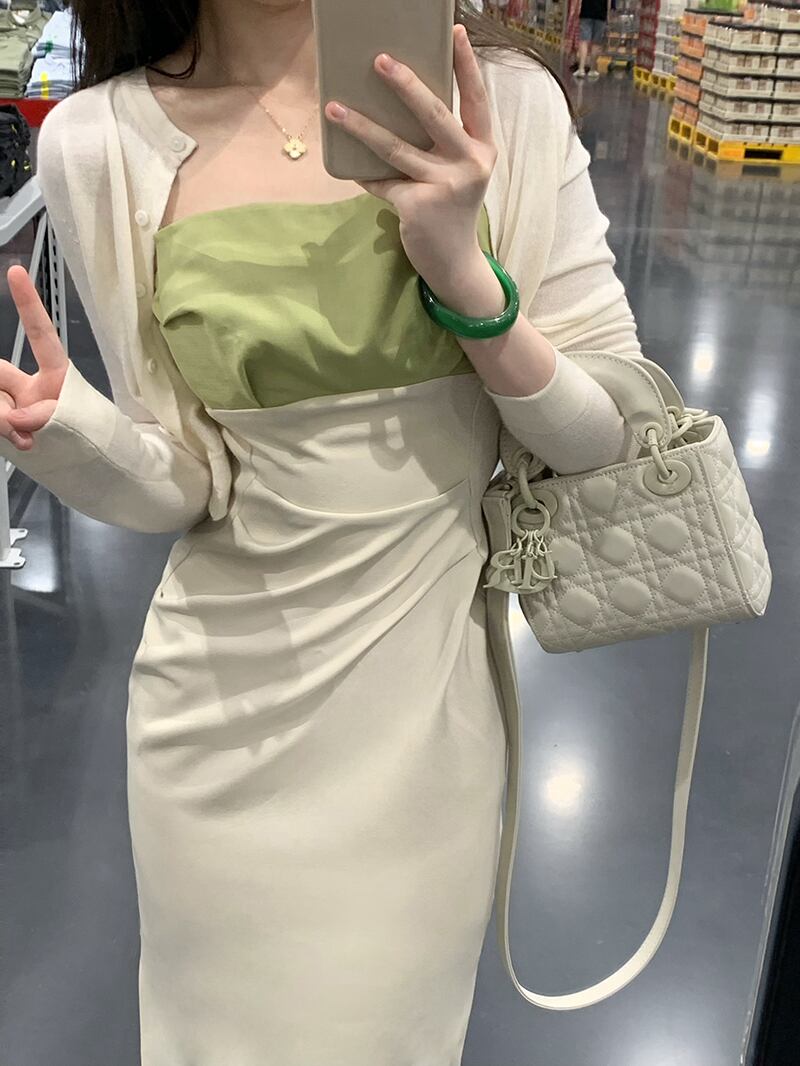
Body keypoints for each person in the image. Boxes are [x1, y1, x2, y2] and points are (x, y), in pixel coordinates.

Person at [0, 0, 644, 1062]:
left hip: (421, 734)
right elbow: (190, 481)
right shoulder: (98, 141)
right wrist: (72, 435)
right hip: (215, 729)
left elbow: (603, 435)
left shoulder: (498, 101)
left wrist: (465, 278)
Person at [576, 0, 609, 78]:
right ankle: (592, 69)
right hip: (601, 14)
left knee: (584, 41)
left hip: (586, 12)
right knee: (596, 43)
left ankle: (581, 69)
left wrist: (578, 9)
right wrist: (608, 15)